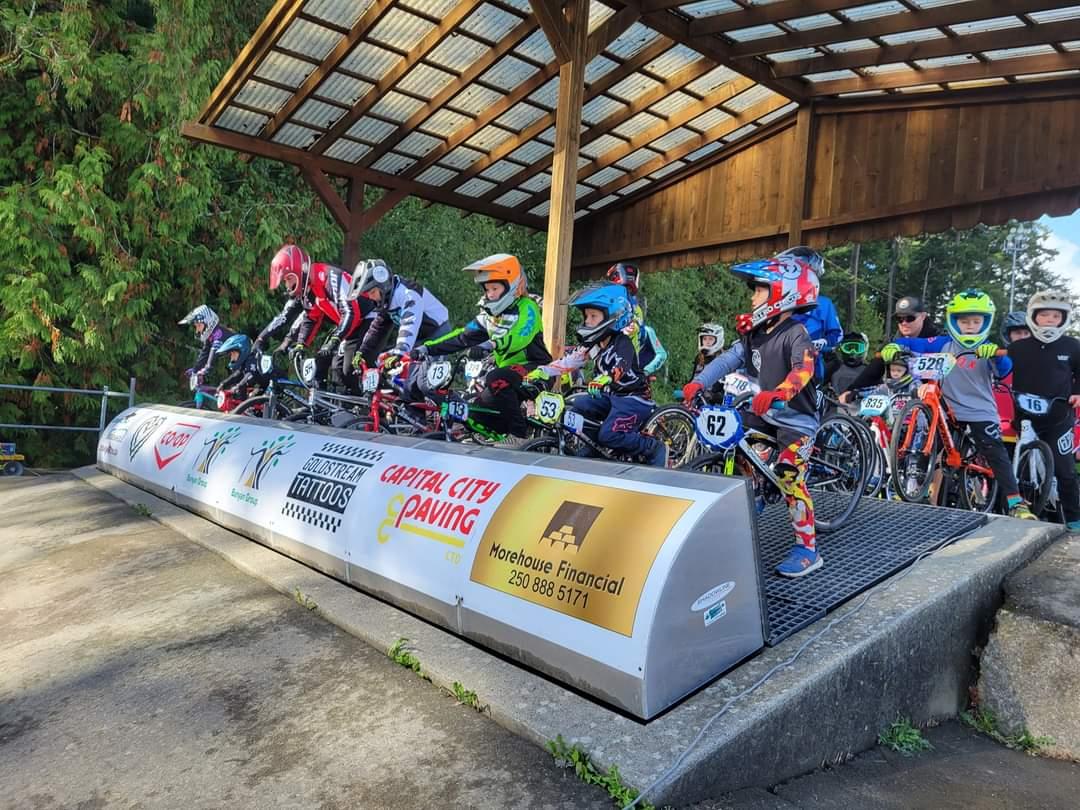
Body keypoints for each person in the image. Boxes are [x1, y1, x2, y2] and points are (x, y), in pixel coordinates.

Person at [681, 250, 822, 578]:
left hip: (797, 419)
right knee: (733, 436)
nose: (752, 296)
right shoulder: (753, 333)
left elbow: (803, 371)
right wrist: (698, 381)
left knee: (789, 475)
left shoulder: (795, 333)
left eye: (759, 289)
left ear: (782, 292)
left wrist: (779, 393)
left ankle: (807, 548)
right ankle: (755, 488)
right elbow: (727, 360)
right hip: (764, 413)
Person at [882, 289, 1034, 519]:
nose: (970, 326)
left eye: (976, 321)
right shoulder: (944, 343)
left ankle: (1016, 501)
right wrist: (895, 346)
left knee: (996, 453)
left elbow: (1004, 371)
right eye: (964, 321)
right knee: (930, 444)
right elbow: (918, 344)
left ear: (985, 322)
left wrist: (996, 356)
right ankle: (919, 490)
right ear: (955, 321)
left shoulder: (989, 347)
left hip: (980, 410)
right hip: (949, 410)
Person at [527, 283, 667, 467]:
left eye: (593, 316)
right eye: (586, 316)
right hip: (611, 396)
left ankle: (653, 447)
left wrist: (607, 377)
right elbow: (569, 361)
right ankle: (594, 446)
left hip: (634, 399)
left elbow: (622, 365)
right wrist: (543, 370)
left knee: (609, 434)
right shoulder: (593, 344)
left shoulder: (622, 342)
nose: (587, 321)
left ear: (612, 317)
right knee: (576, 407)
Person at [417, 254, 551, 438]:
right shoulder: (489, 316)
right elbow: (462, 336)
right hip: (508, 374)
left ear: (511, 285)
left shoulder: (527, 307)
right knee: (473, 409)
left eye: (495, 288)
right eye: (487, 289)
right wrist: (427, 348)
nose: (490, 294)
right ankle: (495, 441)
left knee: (496, 378)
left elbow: (520, 336)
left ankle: (518, 436)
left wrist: (490, 344)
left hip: (538, 369)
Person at [254, 244, 373, 392]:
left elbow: (350, 312)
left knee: (347, 369)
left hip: (369, 318)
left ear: (297, 272)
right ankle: (325, 406)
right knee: (325, 364)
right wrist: (300, 344)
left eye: (287, 279)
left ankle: (363, 408)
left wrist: (335, 340)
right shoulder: (310, 288)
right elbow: (311, 318)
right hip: (352, 324)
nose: (286, 285)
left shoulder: (328, 277)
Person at [1006, 291, 1080, 528]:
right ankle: (1013, 511)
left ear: (1063, 319)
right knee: (1014, 468)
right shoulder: (1018, 348)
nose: (1049, 320)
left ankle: (1074, 519)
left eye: (1055, 316)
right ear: (1033, 317)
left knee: (1064, 468)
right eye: (1044, 315)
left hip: (1059, 416)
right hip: (1024, 417)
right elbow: (1001, 371)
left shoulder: (1073, 346)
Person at [349, 259, 451, 370]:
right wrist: (362, 352)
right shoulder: (387, 299)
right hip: (418, 338)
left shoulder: (407, 293)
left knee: (422, 380)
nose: (370, 297)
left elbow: (409, 324)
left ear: (383, 286)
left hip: (437, 333)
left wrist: (399, 353)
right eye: (368, 294)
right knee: (390, 371)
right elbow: (377, 328)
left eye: (372, 292)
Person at [840, 295, 941, 402]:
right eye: (899, 319)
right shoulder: (894, 341)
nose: (904, 323)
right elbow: (874, 367)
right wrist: (852, 389)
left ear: (923, 316)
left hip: (934, 394)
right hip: (901, 396)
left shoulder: (938, 339)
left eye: (910, 318)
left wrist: (930, 385)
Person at [786, 247, 842, 381]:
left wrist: (823, 342)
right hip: (780, 364)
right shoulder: (783, 300)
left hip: (810, 368)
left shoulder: (824, 304)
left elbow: (837, 334)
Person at [606, 262, 667, 376]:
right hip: (608, 366)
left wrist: (644, 372)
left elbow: (662, 354)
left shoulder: (636, 312)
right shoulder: (607, 308)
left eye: (627, 290)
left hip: (628, 370)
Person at [180, 305, 233, 385]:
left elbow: (214, 351)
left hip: (246, 361)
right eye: (196, 326)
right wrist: (195, 369)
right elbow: (205, 354)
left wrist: (206, 369)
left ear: (208, 322)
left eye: (199, 326)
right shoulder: (210, 336)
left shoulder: (218, 333)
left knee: (236, 392)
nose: (197, 330)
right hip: (236, 363)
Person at [215, 334, 271, 400]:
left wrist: (238, 386)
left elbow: (250, 374)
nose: (232, 358)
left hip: (272, 387)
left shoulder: (252, 359)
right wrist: (223, 384)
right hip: (263, 387)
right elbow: (236, 375)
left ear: (242, 350)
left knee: (251, 401)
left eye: (233, 354)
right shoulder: (244, 363)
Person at [824, 331, 868, 398]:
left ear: (864, 350)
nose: (853, 352)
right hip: (835, 406)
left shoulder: (869, 370)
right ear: (841, 349)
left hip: (861, 407)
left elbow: (880, 392)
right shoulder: (834, 366)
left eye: (857, 348)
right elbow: (817, 386)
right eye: (848, 348)